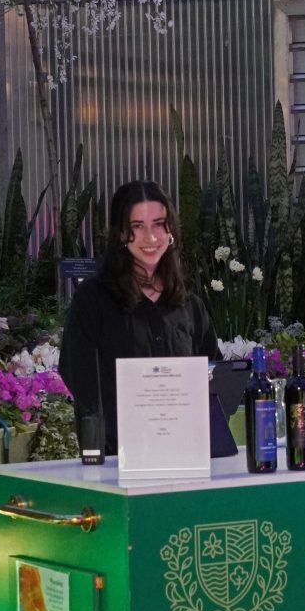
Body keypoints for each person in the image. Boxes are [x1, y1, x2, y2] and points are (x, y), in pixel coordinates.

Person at [59, 180, 219, 455]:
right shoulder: (92, 299)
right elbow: (78, 376)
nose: (151, 237)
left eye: (159, 224)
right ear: (121, 233)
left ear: (171, 231)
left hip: (184, 457)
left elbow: (213, 376)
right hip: (116, 460)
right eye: (138, 226)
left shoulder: (190, 306)